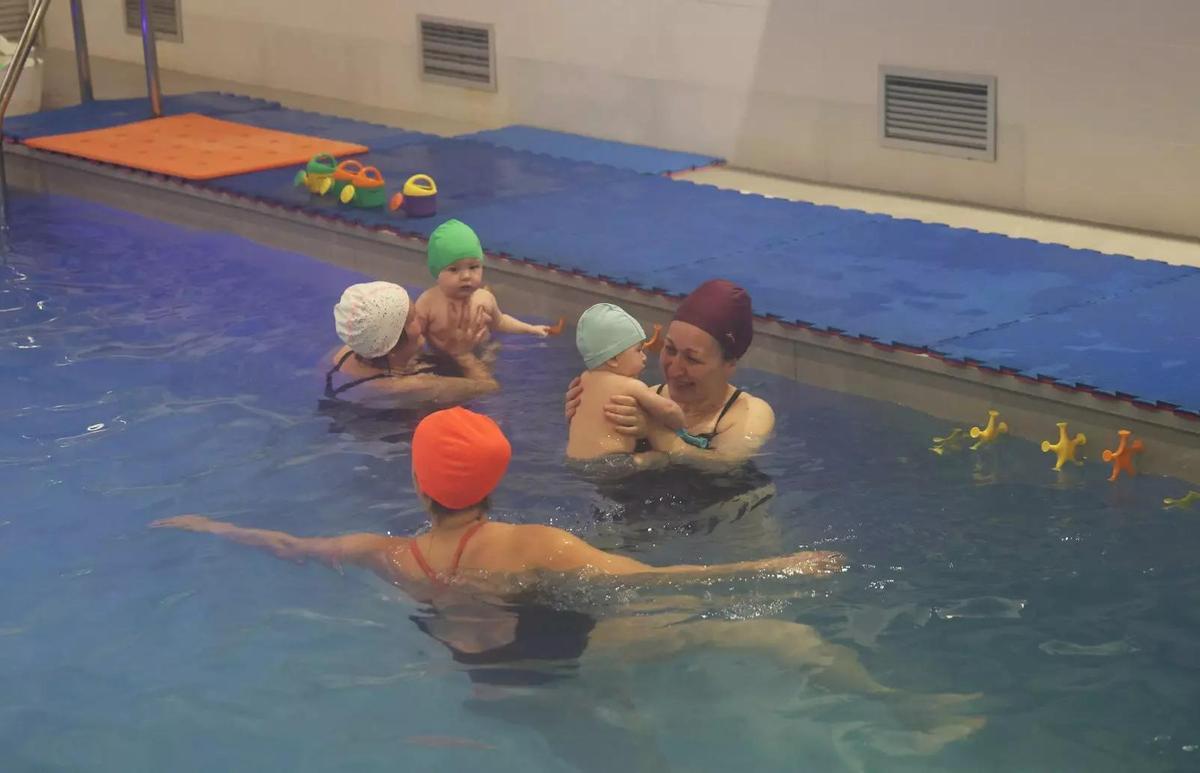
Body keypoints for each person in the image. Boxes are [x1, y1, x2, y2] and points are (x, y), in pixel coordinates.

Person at [152, 407, 981, 749]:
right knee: (776, 634)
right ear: (495, 476)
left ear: (421, 484)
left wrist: (213, 527)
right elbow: (646, 579)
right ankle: (908, 712)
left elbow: (291, 546)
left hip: (490, 677)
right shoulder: (531, 544)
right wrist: (770, 564)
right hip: (569, 653)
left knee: (621, 738)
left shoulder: (389, 553)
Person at [566, 279, 774, 468]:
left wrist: (652, 429)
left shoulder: (748, 413)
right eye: (670, 349)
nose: (674, 369)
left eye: (692, 359)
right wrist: (589, 418)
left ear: (729, 364)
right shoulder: (642, 400)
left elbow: (724, 467)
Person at [325, 281, 497, 407]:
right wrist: (462, 354)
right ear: (393, 345)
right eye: (414, 317)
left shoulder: (345, 352)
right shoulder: (414, 386)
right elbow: (489, 388)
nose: (421, 316)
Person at [412, 219, 554, 358]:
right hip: (441, 359)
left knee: (491, 353)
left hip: (479, 355)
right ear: (436, 272)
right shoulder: (428, 303)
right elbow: (413, 339)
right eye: (454, 269)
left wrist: (531, 329)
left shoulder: (484, 299)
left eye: (473, 267)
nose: (466, 276)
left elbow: (500, 322)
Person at [567, 303, 688, 464]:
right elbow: (669, 409)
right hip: (615, 462)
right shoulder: (630, 385)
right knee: (661, 457)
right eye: (638, 350)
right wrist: (680, 423)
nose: (644, 357)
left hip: (574, 460)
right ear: (613, 359)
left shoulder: (582, 382)